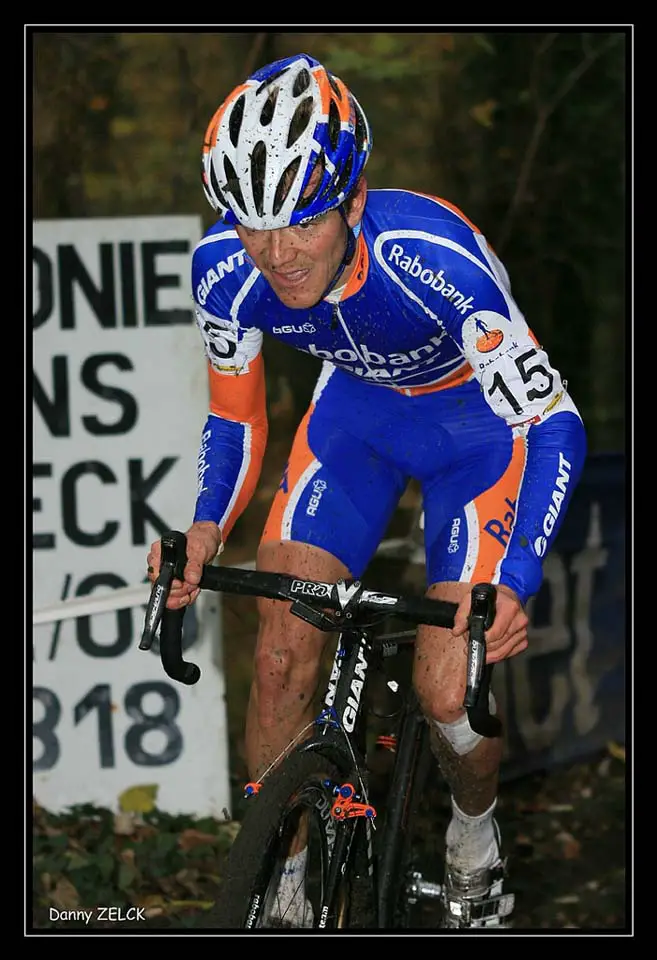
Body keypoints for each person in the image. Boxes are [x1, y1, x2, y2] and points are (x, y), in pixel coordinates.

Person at [147, 52, 587, 929]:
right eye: (250, 224)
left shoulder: (431, 260)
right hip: (355, 425)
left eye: (301, 222)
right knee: (277, 656)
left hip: (481, 437)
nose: (275, 255)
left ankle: (473, 828)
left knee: (446, 693)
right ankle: (286, 879)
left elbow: (551, 422)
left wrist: (521, 576)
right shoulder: (222, 272)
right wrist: (203, 528)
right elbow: (235, 421)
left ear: (350, 201)